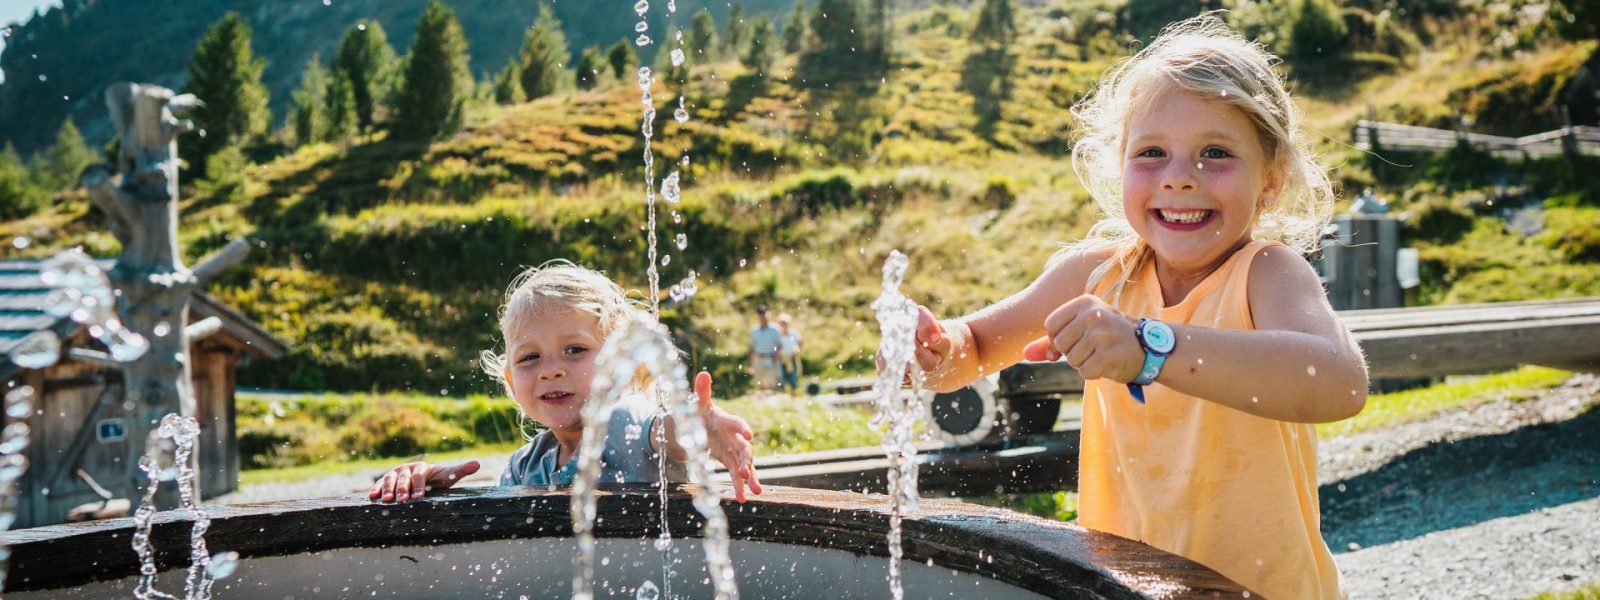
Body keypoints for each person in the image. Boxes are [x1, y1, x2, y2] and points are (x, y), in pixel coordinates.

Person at [906, 16, 1365, 600]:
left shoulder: (1267, 274)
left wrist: (1149, 347)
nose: (1179, 179)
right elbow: (969, 352)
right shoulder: (1095, 277)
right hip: (1127, 589)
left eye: (1215, 153)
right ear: (1118, 163)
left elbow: (1338, 383)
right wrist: (929, 349)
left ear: (1270, 180)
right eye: (1152, 152)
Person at [370, 260, 762, 504]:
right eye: (529, 357)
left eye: (575, 350)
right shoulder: (525, 466)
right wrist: (434, 487)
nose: (550, 370)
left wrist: (701, 428)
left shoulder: (624, 421)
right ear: (510, 379)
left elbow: (664, 432)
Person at [747, 305, 782, 394]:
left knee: (771, 381)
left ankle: (770, 401)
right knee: (759, 381)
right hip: (758, 358)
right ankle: (762, 401)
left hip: (770, 357)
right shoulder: (754, 330)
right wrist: (750, 363)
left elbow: (779, 345)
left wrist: (775, 356)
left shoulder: (775, 329)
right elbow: (751, 347)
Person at [776, 313, 803, 395]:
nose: (784, 325)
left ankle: (793, 396)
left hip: (792, 358)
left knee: (793, 378)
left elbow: (800, 343)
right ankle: (782, 397)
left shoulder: (794, 333)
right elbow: (776, 346)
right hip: (781, 359)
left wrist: (797, 350)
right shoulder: (778, 335)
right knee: (781, 378)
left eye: (785, 323)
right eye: (782, 323)